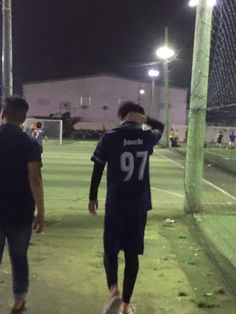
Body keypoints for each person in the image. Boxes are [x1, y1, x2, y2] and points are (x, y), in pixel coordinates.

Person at [88, 101, 164, 314]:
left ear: (121, 115)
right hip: (138, 205)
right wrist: (146, 120)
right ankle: (125, 306)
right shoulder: (147, 137)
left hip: (116, 203)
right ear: (139, 118)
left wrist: (92, 196)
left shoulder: (110, 137)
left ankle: (113, 289)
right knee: (132, 254)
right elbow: (161, 127)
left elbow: (98, 167)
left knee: (110, 249)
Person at [0, 96, 45, 313]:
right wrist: (41, 212)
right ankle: (18, 298)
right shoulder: (30, 143)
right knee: (18, 256)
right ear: (24, 118)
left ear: (3, 114)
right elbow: (34, 178)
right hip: (21, 210)